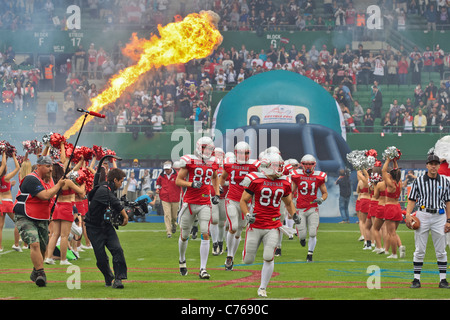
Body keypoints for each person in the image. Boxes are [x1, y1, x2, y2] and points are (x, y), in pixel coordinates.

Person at [240, 152, 296, 297]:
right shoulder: (255, 179)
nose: (279, 168)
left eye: (280, 165)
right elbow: (243, 200)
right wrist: (247, 215)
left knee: (268, 256)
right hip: (256, 224)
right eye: (276, 165)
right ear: (267, 165)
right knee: (248, 260)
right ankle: (245, 252)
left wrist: (294, 215)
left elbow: (288, 202)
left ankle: (262, 287)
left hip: (273, 225)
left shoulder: (284, 182)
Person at [13, 156, 66, 287]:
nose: (50, 169)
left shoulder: (49, 180)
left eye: (51, 166)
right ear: (39, 166)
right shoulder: (31, 179)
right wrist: (59, 185)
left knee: (43, 247)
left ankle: (35, 271)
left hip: (41, 217)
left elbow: (51, 197)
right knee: (34, 244)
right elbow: (45, 196)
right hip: (25, 216)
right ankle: (41, 274)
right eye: (47, 166)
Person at [176, 137, 220, 279]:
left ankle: (203, 269)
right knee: (184, 236)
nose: (207, 151)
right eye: (205, 148)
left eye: (209, 149)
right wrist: (191, 184)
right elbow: (178, 180)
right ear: (199, 147)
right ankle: (182, 259)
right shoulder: (190, 161)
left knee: (205, 233)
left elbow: (214, 177)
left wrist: (217, 193)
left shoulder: (213, 163)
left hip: (205, 202)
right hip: (189, 202)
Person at [405, 153, 450, 289]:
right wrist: (407, 214)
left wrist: (449, 220)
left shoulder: (445, 181)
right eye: (431, 164)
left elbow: (448, 202)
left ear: (438, 166)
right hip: (423, 214)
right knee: (419, 249)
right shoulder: (418, 181)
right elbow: (412, 199)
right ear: (427, 165)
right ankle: (416, 279)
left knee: (441, 249)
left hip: (439, 215)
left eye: (436, 164)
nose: (434, 166)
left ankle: (443, 280)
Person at [84, 167, 128, 288]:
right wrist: (125, 217)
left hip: (106, 226)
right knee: (101, 258)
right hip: (93, 228)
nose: (121, 184)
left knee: (117, 250)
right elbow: (114, 203)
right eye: (121, 181)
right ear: (115, 180)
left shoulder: (108, 188)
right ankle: (108, 276)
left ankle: (118, 279)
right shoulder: (104, 190)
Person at [219, 141, 260, 270]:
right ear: (236, 153)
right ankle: (229, 255)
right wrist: (219, 187)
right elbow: (223, 177)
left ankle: (231, 256)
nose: (243, 156)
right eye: (241, 153)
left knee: (239, 232)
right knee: (233, 227)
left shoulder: (255, 165)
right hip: (231, 199)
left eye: (246, 153)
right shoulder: (229, 164)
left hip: (246, 203)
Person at [45, 160, 86, 266]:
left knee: (54, 235)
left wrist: (80, 162)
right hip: (66, 208)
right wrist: (84, 183)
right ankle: (63, 260)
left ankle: (48, 257)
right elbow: (81, 192)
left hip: (57, 207)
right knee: (64, 236)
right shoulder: (67, 181)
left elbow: (72, 171)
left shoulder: (52, 181)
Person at [291, 154, 328, 262]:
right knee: (302, 234)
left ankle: (310, 254)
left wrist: (321, 199)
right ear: (302, 165)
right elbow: (291, 192)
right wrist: (290, 204)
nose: (308, 166)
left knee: (312, 233)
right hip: (300, 208)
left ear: (314, 165)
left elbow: (325, 193)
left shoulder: (319, 177)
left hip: (313, 208)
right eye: (306, 164)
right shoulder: (296, 176)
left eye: (310, 164)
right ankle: (302, 239)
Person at [382, 156, 405, 259]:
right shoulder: (399, 183)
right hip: (397, 207)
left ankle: (394, 254)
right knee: (393, 233)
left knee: (391, 233)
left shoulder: (391, 184)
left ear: (391, 176)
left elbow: (383, 170)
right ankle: (397, 250)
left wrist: (387, 159)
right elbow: (397, 172)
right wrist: (395, 161)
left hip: (390, 208)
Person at [0, 151, 21, 252]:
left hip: (0, 202)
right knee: (18, 222)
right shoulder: (6, 177)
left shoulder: (3, 178)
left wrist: (5, 157)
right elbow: (17, 168)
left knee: (0, 226)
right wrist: (12, 156)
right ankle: (17, 244)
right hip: (7, 202)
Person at [156, 161, 181, 238]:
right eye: (165, 169)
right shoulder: (161, 175)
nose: (166, 170)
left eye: (167, 169)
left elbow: (181, 182)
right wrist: (157, 189)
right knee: (167, 215)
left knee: (174, 216)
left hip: (175, 197)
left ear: (171, 168)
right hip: (165, 197)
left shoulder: (177, 175)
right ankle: (168, 232)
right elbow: (158, 183)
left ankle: (174, 225)